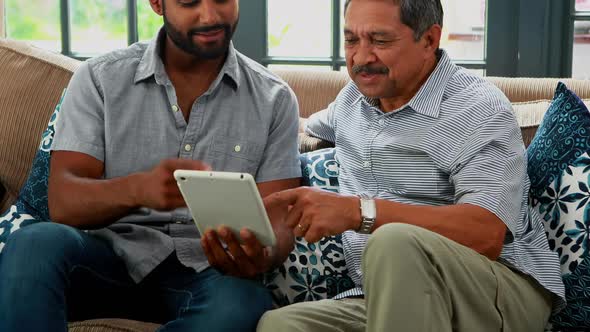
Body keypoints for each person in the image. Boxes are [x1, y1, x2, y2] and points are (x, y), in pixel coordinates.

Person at [258, 0, 565, 331]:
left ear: (430, 40)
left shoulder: (478, 109)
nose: (361, 58)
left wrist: (358, 212)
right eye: (351, 40)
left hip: (497, 290)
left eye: (380, 40)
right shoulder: (353, 101)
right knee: (281, 325)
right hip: (383, 295)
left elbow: (486, 232)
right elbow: (302, 129)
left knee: (394, 242)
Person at [0, 1, 301, 331]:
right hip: (107, 259)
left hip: (211, 271)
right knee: (33, 245)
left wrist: (264, 252)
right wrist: (137, 189)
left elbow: (278, 217)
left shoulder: (275, 99)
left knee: (244, 301)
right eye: (190, 2)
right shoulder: (100, 79)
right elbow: (63, 202)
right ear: (157, 4)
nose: (211, 16)